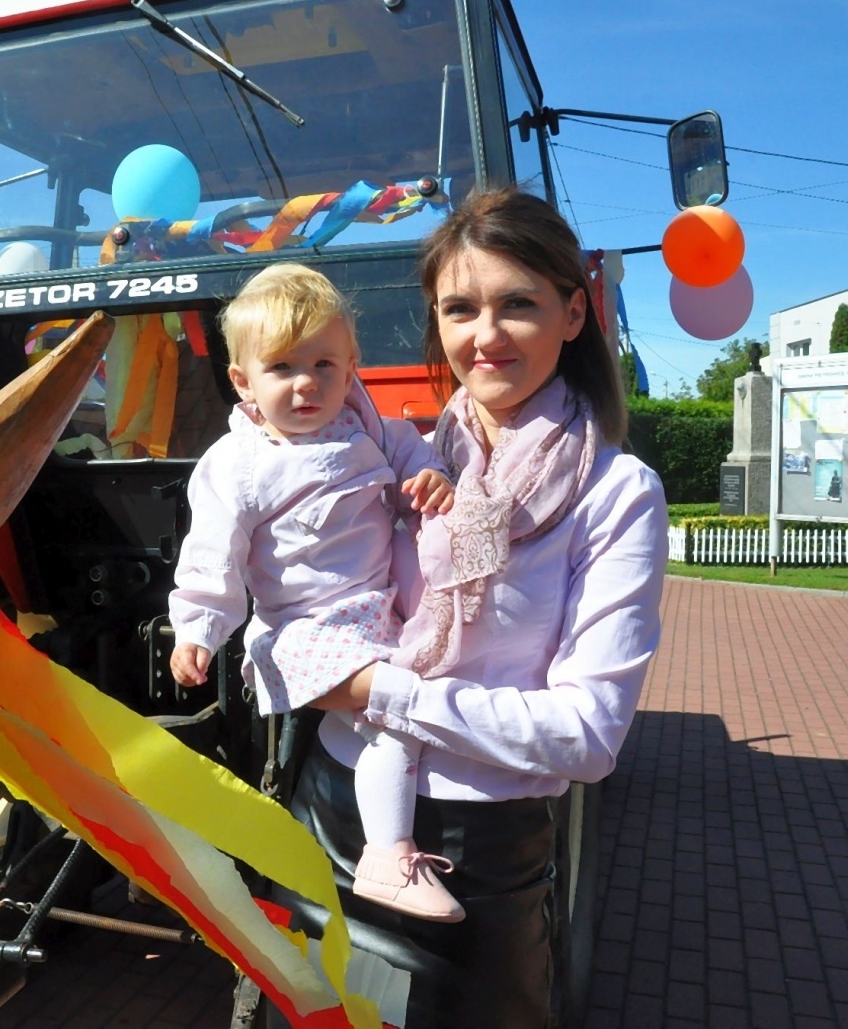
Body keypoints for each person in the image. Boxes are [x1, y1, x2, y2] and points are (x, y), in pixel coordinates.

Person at [276, 187, 668, 1027]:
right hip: (334, 807)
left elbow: (589, 734)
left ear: (573, 313)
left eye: (517, 305)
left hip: (473, 855)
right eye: (460, 308)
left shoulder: (616, 492)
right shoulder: (395, 459)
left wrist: (380, 693)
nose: (484, 336)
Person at [166, 263, 467, 922]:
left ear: (352, 364)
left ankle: (353, 832)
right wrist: (197, 630)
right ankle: (389, 856)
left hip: (374, 611)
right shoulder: (240, 464)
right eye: (282, 368)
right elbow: (213, 555)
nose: (308, 383)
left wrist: (434, 477)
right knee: (396, 722)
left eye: (325, 365)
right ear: (242, 379)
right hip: (306, 631)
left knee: (379, 729)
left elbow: (413, 455)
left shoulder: (364, 424)